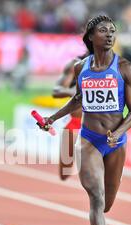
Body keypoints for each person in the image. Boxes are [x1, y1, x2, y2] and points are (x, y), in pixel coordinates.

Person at [38, 15, 131, 225]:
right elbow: (78, 99)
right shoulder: (80, 68)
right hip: (90, 140)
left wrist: (117, 133)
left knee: (106, 205)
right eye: (103, 30)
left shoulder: (126, 68)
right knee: (96, 197)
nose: (109, 35)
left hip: (115, 143)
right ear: (90, 37)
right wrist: (53, 118)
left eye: (113, 31)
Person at [52, 51, 89, 180]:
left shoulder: (112, 65)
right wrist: (73, 91)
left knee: (94, 171)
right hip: (75, 123)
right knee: (65, 172)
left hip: (97, 124)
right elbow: (56, 91)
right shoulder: (74, 64)